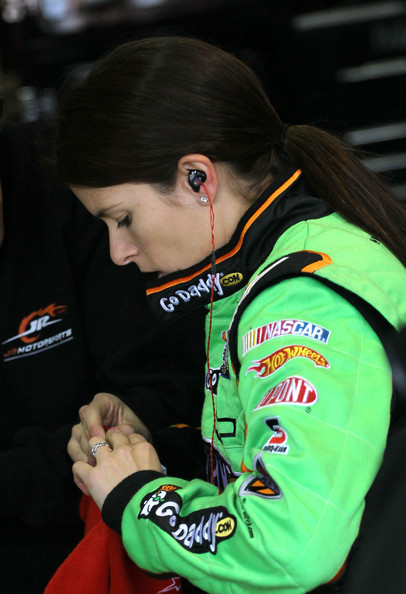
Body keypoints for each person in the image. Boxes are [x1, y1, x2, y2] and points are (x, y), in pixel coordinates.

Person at [54, 36, 406, 593]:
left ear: (198, 178)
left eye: (122, 219)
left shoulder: (297, 300)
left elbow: (287, 547)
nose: (119, 252)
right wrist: (155, 449)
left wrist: (138, 498)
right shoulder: (286, 251)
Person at [0, 120, 205, 593]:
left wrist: (115, 436)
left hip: (121, 538)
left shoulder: (72, 186)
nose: (121, 251)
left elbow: (169, 394)